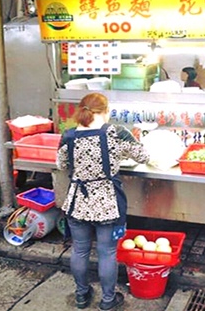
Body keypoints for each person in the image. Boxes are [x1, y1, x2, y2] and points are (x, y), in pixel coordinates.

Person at [57, 93, 149, 310]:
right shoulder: (116, 133)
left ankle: (81, 295)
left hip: (78, 201)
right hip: (106, 202)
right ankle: (107, 300)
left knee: (79, 250)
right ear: (106, 111)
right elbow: (143, 156)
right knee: (107, 252)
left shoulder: (68, 136)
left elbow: (61, 164)